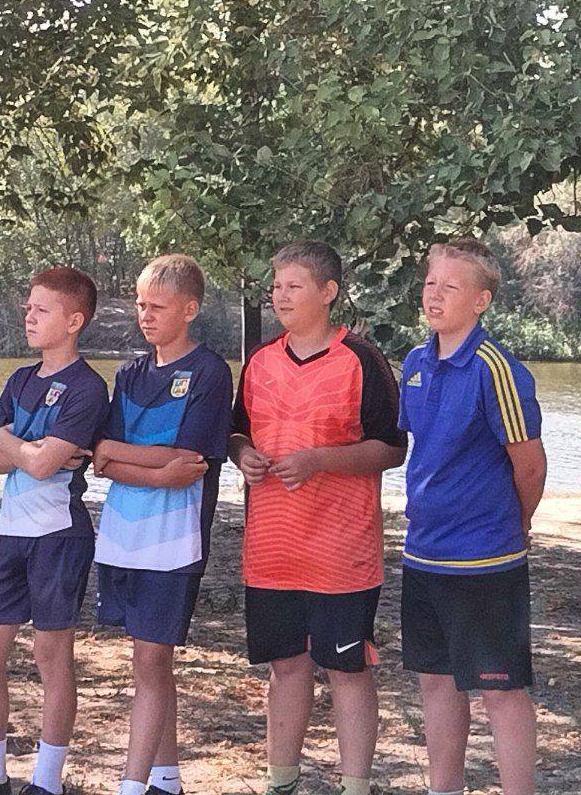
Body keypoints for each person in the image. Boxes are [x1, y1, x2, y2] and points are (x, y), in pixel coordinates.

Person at [230, 241, 405, 795]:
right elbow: (236, 432)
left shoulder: (361, 359)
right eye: (276, 286)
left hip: (341, 553)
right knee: (286, 667)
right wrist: (242, 454)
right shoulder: (260, 360)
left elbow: (391, 449)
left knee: (348, 669)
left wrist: (320, 461)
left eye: (294, 286)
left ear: (328, 292)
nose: (280, 296)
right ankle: (281, 780)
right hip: (271, 550)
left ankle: (355, 785)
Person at [397, 239, 546, 795]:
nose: (434, 296)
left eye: (450, 287)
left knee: (501, 690)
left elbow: (530, 465)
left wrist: (515, 524)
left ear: (481, 301)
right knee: (436, 683)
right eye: (430, 283)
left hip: (485, 560)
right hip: (423, 554)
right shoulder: (415, 363)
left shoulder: (495, 367)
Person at [0, 268, 110, 795]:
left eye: (41, 310)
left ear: (74, 321)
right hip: (12, 534)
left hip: (59, 535)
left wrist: (12, 443)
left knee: (51, 657)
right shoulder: (19, 380)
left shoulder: (88, 387)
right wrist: (26, 450)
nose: (28, 316)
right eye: (28, 307)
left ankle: (47, 781)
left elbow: (44, 465)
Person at [92, 254, 232, 795]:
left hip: (174, 540)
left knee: (151, 660)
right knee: (147, 663)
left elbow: (189, 463)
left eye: (158, 306)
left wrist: (121, 457)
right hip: (122, 534)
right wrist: (148, 464)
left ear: (190, 310)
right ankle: (166, 779)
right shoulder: (129, 373)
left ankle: (132, 783)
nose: (145, 315)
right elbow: (100, 457)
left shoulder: (210, 372)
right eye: (140, 305)